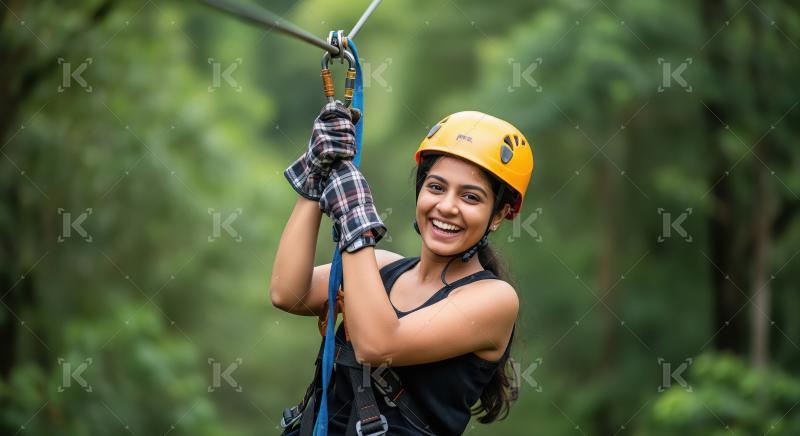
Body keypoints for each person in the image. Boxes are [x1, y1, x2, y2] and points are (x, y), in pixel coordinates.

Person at [271, 102, 534, 435]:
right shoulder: (382, 267)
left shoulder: (495, 300)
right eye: (436, 187)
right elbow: (287, 292)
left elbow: (376, 345)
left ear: (498, 215)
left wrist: (356, 218)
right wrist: (315, 174)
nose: (447, 206)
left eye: (470, 197)